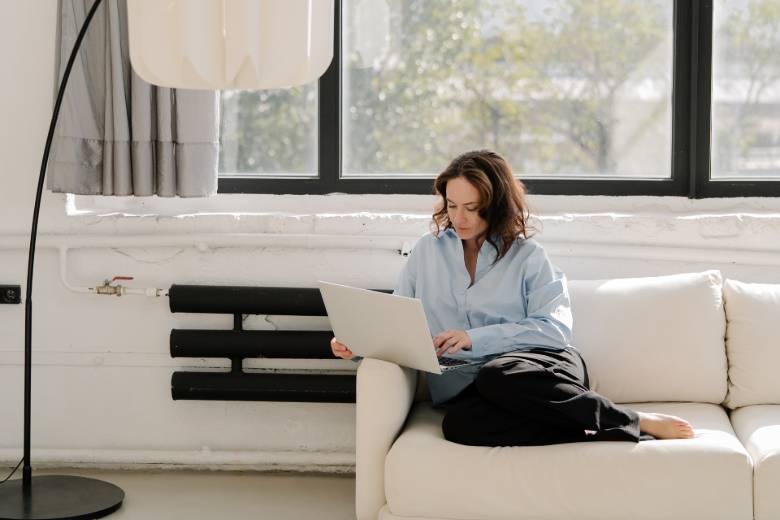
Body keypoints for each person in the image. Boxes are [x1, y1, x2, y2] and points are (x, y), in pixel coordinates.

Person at [331, 150, 694, 446]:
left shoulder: (528, 257)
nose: (459, 217)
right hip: (467, 389)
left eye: (472, 208)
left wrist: (475, 339)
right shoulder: (427, 252)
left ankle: (630, 420)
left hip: (539, 372)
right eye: (453, 205)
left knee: (497, 374)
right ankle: (593, 430)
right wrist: (359, 344)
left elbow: (554, 331)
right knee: (459, 426)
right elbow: (399, 324)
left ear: (497, 204)